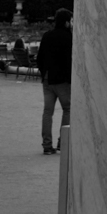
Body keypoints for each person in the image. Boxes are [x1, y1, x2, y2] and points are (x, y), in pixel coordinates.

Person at [36, 9, 72, 155]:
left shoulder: (47, 36)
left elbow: (39, 58)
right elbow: (70, 61)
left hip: (48, 79)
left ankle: (47, 145)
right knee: (68, 109)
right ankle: (62, 142)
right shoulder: (69, 37)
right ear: (66, 22)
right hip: (63, 81)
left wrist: (44, 73)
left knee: (47, 112)